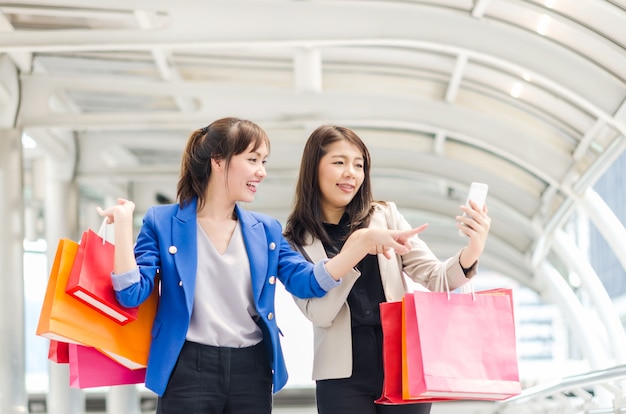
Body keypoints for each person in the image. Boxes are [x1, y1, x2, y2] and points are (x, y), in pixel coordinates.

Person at [96, 117, 425, 414]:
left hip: (251, 369)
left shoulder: (265, 231)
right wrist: (124, 226)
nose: (262, 172)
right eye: (252, 160)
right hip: (187, 367)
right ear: (219, 162)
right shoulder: (163, 222)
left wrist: (358, 246)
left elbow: (306, 283)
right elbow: (131, 294)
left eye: (263, 161)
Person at [284, 125, 492, 414]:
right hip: (341, 376)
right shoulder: (294, 239)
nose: (351, 173)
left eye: (359, 165)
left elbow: (438, 278)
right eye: (339, 162)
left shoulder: (385, 216)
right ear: (313, 169)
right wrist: (355, 249)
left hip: (403, 365)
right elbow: (319, 313)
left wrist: (473, 250)